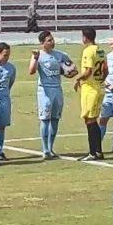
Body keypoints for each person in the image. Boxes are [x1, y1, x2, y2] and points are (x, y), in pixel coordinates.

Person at [28, 30, 75, 160]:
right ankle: (45, 149)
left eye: (52, 39)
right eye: (49, 40)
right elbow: (31, 71)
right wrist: (36, 58)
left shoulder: (60, 55)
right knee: (45, 119)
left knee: (55, 119)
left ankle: (51, 147)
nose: (52, 42)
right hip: (44, 90)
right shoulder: (38, 55)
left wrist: (69, 71)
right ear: (42, 43)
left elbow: (72, 69)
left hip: (57, 89)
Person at [74, 27, 108, 162]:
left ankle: (93, 152)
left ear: (84, 37)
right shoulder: (100, 50)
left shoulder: (88, 51)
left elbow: (88, 71)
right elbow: (106, 69)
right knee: (91, 120)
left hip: (90, 89)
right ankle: (98, 151)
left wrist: (78, 79)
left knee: (90, 120)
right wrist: (101, 80)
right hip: (98, 87)